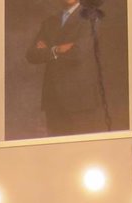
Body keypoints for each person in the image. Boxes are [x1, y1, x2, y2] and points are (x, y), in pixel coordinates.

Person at [25, 0, 106, 136]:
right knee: (56, 146)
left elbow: (78, 53)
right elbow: (32, 55)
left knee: (80, 145)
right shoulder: (50, 21)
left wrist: (47, 50)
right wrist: (56, 49)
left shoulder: (91, 17)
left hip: (80, 99)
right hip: (53, 99)